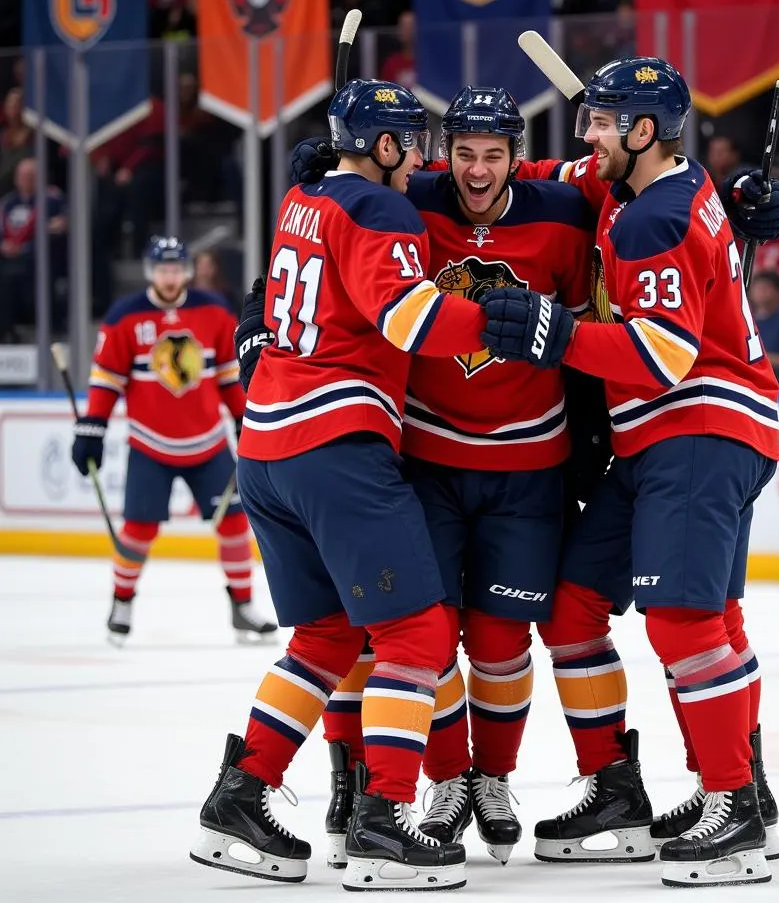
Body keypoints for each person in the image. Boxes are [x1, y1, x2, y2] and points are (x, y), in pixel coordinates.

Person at [479, 58, 779, 886]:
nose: (586, 135)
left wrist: (557, 336)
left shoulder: (653, 217)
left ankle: (733, 809)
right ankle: (628, 789)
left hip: (696, 429)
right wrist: (401, 174)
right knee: (578, 604)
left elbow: (664, 351)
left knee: (687, 624)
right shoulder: (650, 185)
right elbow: (540, 174)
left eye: (601, 121)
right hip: (677, 438)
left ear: (643, 132)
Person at [271, 87, 597, 867]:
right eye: (461, 151)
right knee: (423, 633)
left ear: (518, 156)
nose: (476, 168)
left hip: (528, 463)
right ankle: (444, 779)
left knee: (497, 640)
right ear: (433, 152)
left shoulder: (558, 210)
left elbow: (626, 179)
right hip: (427, 457)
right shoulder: (402, 195)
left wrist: (736, 200)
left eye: (494, 154)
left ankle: (493, 776)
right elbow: (327, 228)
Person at [190, 79, 490, 892]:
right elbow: (409, 318)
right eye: (411, 140)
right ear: (384, 146)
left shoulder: (303, 194)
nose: (425, 156)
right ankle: (385, 822)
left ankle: (240, 794)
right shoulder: (380, 210)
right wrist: (502, 318)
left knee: (326, 637)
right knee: (417, 636)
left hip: (266, 445)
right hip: (336, 443)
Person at [70, 236, 274, 646]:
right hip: (151, 445)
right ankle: (122, 601)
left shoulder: (212, 311)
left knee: (235, 523)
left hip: (208, 443)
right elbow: (107, 379)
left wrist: (241, 416)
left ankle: (243, 607)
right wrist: (92, 426)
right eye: (162, 269)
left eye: (176, 268)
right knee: (138, 530)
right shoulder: (125, 317)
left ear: (187, 270)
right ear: (150, 272)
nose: (170, 276)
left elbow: (228, 375)